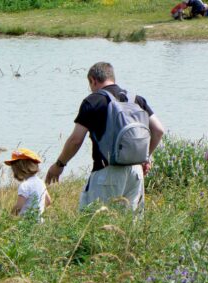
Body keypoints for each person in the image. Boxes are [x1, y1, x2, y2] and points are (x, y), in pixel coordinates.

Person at [45, 62, 164, 212]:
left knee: (94, 224)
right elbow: (158, 130)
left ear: (93, 80)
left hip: (106, 172)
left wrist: (59, 165)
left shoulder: (93, 101)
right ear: (112, 78)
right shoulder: (137, 100)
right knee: (129, 227)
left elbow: (75, 140)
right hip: (135, 174)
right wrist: (144, 158)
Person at [5, 148, 51, 222]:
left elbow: (19, 207)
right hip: (40, 221)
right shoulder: (41, 182)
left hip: (27, 223)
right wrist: (38, 211)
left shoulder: (25, 186)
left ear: (19, 168)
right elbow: (48, 202)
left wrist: (9, 218)